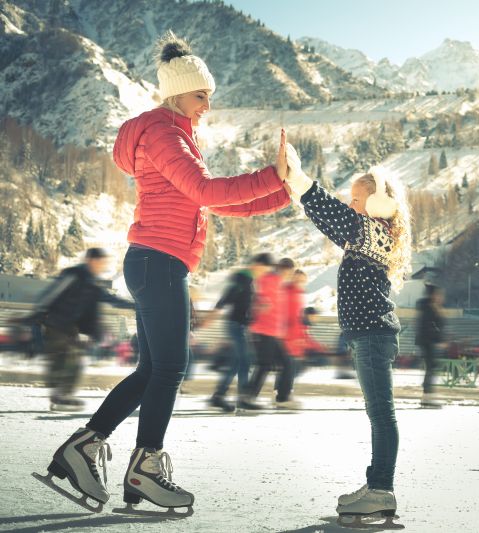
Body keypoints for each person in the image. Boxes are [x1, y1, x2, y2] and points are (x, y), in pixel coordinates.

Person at [38, 32, 291, 514]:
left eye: (209, 98)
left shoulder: (177, 135)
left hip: (158, 261)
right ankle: (144, 466)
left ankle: (88, 447)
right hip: (157, 261)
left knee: (155, 368)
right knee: (170, 367)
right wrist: (272, 175)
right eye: (202, 96)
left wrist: (283, 193)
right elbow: (207, 190)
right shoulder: (164, 133)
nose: (207, 107)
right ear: (178, 91)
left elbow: (216, 205)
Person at [283, 151, 411, 527]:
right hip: (368, 334)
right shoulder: (372, 234)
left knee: (381, 414)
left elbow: (331, 214)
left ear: (377, 203)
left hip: (373, 335)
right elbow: (333, 217)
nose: (351, 206)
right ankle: (377, 487)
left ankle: (382, 490)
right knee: (378, 414)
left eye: (356, 199)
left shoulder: (370, 231)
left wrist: (300, 180)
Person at [26, 248, 134, 411]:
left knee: (74, 360)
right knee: (64, 357)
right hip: (56, 323)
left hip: (71, 328)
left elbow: (111, 299)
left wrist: (135, 305)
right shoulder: (73, 274)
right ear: (91, 260)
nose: (103, 266)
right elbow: (51, 293)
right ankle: (60, 394)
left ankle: (61, 395)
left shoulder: (93, 283)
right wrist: (38, 314)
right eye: (101, 262)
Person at [206, 254, 274, 412]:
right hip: (235, 325)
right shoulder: (242, 278)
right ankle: (243, 398)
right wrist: (214, 312)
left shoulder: (249, 281)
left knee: (237, 362)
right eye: (265, 269)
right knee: (245, 361)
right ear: (258, 264)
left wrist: (259, 305)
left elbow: (244, 301)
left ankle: (219, 396)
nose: (264, 272)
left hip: (240, 325)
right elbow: (228, 296)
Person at [249, 257, 298, 407]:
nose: (288, 275)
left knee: (285, 363)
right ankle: (248, 397)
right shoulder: (268, 279)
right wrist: (261, 304)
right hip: (263, 330)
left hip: (273, 332)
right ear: (283, 269)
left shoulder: (280, 284)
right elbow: (258, 297)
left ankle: (282, 397)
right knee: (265, 365)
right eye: (288, 272)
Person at [415, 284, 445, 407]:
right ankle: (427, 397)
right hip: (428, 342)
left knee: (431, 368)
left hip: (428, 342)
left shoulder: (430, 307)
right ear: (433, 295)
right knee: (431, 368)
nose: (441, 297)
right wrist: (438, 339)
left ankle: (427, 396)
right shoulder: (429, 308)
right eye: (438, 294)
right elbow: (429, 327)